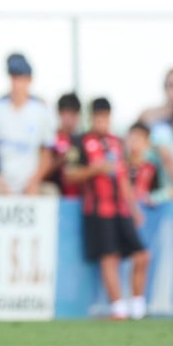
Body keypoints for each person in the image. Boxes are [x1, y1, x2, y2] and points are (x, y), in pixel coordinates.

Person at [64, 98, 149, 320]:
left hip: (121, 208)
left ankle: (138, 306)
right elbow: (69, 174)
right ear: (92, 118)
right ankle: (118, 307)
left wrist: (134, 208)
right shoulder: (79, 142)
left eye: (106, 118)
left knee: (142, 255)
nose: (102, 122)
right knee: (109, 257)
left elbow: (123, 178)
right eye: (98, 118)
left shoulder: (117, 142)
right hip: (97, 209)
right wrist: (96, 169)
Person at [0, 53, 55, 195]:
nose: (16, 83)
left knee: (51, 193)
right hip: (0, 184)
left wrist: (34, 182)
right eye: (13, 77)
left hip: (30, 184)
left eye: (20, 78)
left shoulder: (42, 111)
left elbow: (47, 154)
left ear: (29, 80)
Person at [48, 92, 83, 197]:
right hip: (57, 196)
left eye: (74, 114)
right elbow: (43, 170)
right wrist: (62, 159)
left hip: (80, 197)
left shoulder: (84, 141)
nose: (71, 119)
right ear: (59, 114)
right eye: (67, 114)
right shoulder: (51, 139)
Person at [125, 121, 159, 206]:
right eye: (132, 137)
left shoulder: (152, 170)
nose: (134, 141)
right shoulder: (119, 167)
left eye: (139, 138)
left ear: (147, 143)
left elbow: (156, 195)